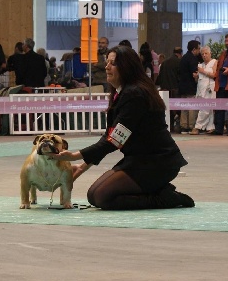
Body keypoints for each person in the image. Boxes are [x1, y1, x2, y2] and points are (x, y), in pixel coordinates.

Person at [49, 45, 194, 210]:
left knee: (100, 197)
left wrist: (75, 156)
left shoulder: (135, 94)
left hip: (158, 162)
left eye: (113, 63)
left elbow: (114, 141)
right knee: (94, 195)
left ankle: (167, 198)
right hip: (139, 159)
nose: (106, 67)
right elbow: (110, 136)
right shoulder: (123, 92)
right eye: (107, 62)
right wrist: (81, 167)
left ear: (126, 68)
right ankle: (158, 190)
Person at [190, 46, 217, 135]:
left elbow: (214, 75)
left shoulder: (214, 62)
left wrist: (203, 71)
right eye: (202, 54)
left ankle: (197, 126)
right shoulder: (200, 65)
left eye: (206, 53)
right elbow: (197, 80)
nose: (204, 55)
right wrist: (196, 76)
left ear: (210, 54)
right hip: (201, 88)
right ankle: (210, 127)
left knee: (206, 108)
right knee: (206, 108)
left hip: (210, 88)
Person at [155, 47, 183, 132]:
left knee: (167, 109)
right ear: (180, 54)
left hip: (165, 89)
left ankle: (169, 127)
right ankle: (177, 126)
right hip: (175, 89)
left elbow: (159, 77)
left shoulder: (165, 62)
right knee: (177, 109)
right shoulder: (179, 62)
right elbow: (180, 76)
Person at [178, 40, 201, 134]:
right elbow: (194, 73)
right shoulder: (192, 58)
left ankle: (183, 126)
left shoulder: (183, 58)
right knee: (191, 106)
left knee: (184, 106)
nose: (199, 51)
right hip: (190, 86)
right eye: (198, 48)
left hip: (182, 86)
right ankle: (191, 126)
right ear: (194, 49)